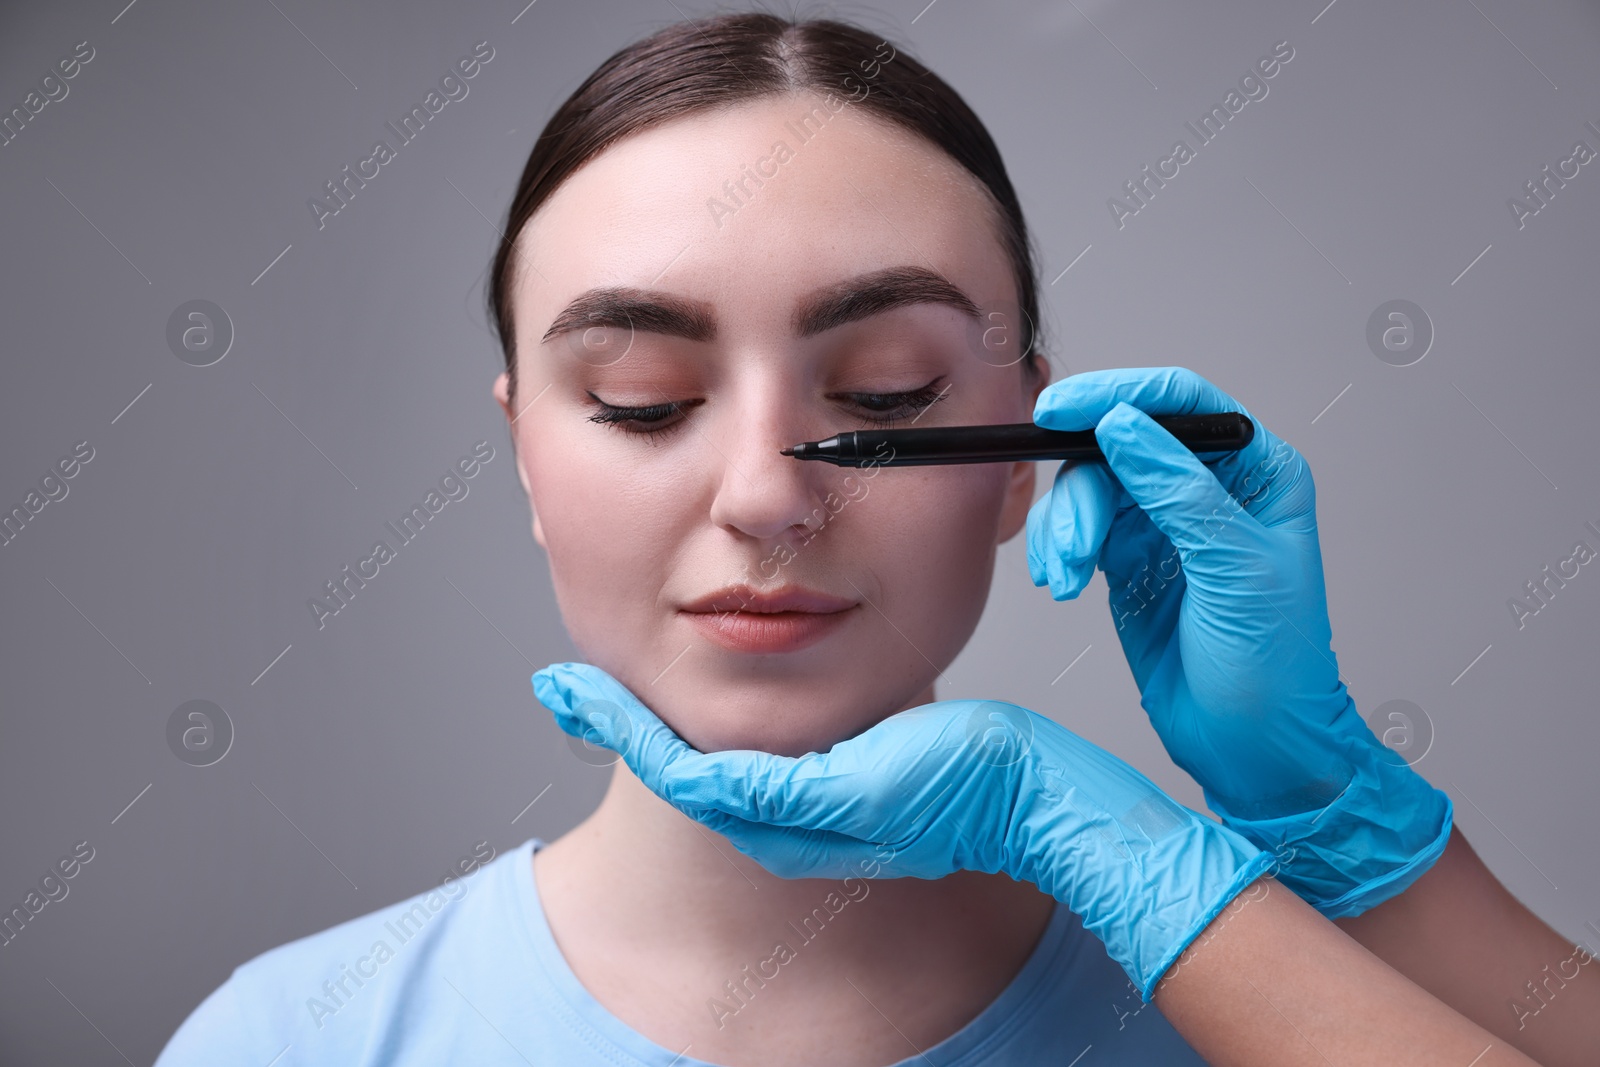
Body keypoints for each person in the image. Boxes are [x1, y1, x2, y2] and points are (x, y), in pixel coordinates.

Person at [155, 13, 1599, 1066]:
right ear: (526, 444)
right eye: (642, 402)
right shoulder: (294, 1039)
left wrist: (1338, 816)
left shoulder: (1310, 1016)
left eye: (891, 395)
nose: (770, 498)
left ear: (1033, 453)